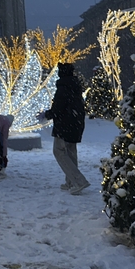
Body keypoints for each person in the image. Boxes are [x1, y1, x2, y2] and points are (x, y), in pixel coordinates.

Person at [46, 62, 89, 195]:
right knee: (71, 150)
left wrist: (47, 114)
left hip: (65, 124)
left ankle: (78, 181)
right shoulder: (75, 86)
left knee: (59, 151)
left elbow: (58, 107)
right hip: (76, 123)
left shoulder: (63, 87)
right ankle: (71, 182)